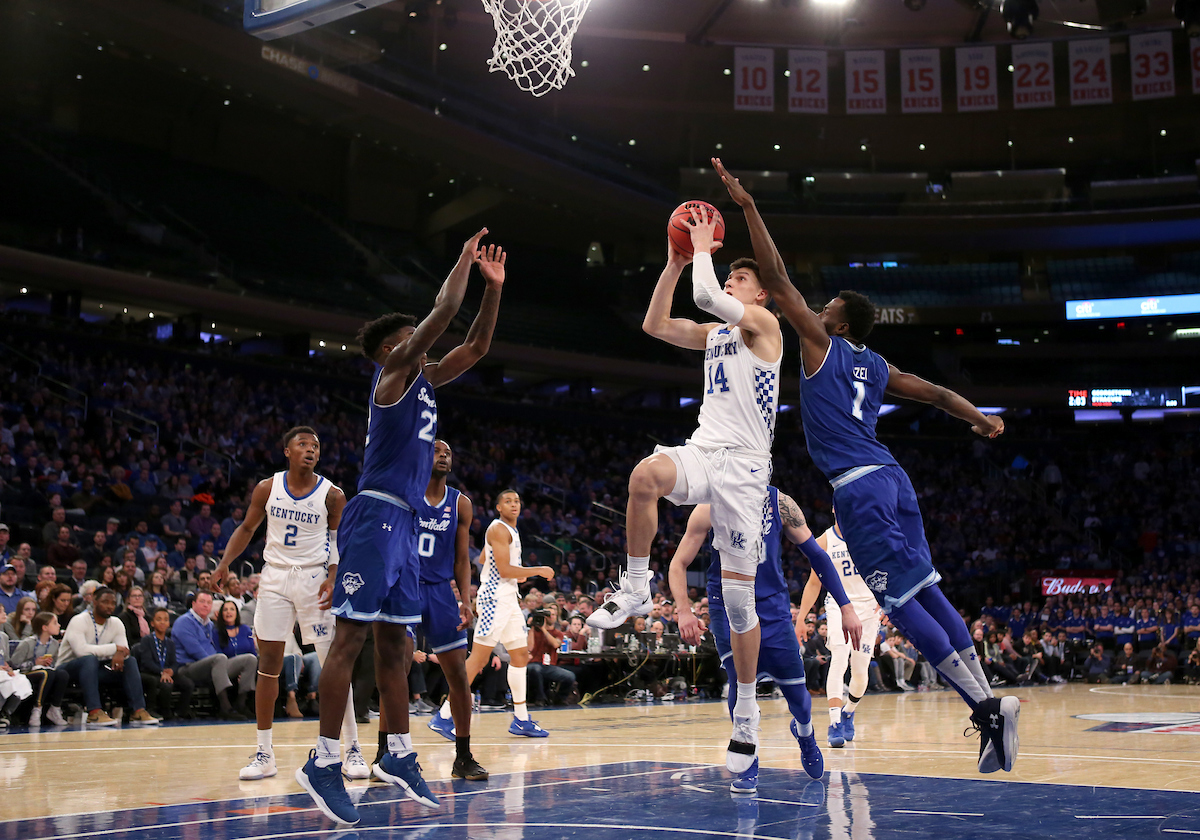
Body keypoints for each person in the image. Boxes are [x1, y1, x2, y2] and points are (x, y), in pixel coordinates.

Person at [713, 157, 1016, 774]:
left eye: (823, 307)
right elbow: (931, 392)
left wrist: (748, 207)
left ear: (839, 321)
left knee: (901, 608)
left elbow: (773, 275)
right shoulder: (877, 366)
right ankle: (989, 704)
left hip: (858, 488)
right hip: (895, 478)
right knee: (928, 591)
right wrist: (979, 419)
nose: (814, 310)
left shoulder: (821, 344)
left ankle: (986, 709)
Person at [297, 229, 505, 826]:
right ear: (393, 349)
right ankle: (325, 759)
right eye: (410, 339)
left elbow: (477, 346)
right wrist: (463, 261)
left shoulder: (424, 384)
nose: (422, 344)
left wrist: (492, 290)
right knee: (350, 642)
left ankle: (398, 752)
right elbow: (442, 316)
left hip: (407, 524)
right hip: (375, 514)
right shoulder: (390, 382)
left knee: (397, 645)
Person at [588, 207, 784, 777]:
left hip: (747, 471)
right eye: (728, 278)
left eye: (739, 281)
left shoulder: (764, 329)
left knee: (741, 606)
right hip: (705, 452)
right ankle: (635, 587)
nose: (729, 283)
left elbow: (706, 297)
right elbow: (654, 324)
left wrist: (702, 249)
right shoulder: (715, 334)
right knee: (643, 476)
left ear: (762, 296)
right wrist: (676, 263)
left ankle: (745, 715)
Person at [669, 487, 861, 792]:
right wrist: (684, 611)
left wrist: (846, 606)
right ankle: (748, 761)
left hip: (771, 605)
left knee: (798, 698)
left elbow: (819, 557)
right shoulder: (709, 506)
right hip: (726, 604)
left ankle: (806, 734)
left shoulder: (780, 503)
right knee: (739, 682)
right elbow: (678, 563)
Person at [213, 426, 364, 782]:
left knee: (334, 663)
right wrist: (224, 563)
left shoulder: (333, 494)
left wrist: (334, 575)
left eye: (315, 445)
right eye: (302, 444)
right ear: (287, 451)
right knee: (269, 662)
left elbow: (338, 542)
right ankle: (264, 753)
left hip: (315, 578)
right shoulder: (268, 487)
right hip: (275, 576)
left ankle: (353, 748)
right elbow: (248, 528)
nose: (310, 450)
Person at [417, 440, 489, 781]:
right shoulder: (407, 491)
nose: (444, 454)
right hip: (405, 587)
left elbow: (463, 558)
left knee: (459, 676)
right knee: (396, 669)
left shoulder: (460, 503)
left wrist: (465, 599)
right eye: (436, 450)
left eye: (448, 451)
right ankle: (386, 752)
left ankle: (463, 755)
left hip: (441, 592)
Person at [461, 490, 554, 739]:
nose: (514, 504)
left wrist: (516, 572)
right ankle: (446, 714)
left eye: (516, 501)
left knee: (520, 655)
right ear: (498, 507)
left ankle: (521, 719)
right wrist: (537, 570)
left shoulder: (508, 531)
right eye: (508, 501)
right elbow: (502, 569)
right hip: (494, 599)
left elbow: (484, 557)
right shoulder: (499, 529)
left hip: (509, 598)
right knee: (479, 659)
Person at [796, 509, 883, 748]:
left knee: (860, 670)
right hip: (838, 605)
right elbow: (814, 582)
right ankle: (834, 721)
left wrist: (885, 601)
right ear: (834, 508)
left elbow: (888, 572)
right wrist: (801, 618)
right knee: (839, 658)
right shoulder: (824, 540)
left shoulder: (870, 537)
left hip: (868, 610)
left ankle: (849, 711)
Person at [56, 587, 160, 726]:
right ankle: (94, 713)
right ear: (94, 601)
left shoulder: (116, 622)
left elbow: (125, 650)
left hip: (94, 669)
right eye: (105, 602)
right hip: (68, 669)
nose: (110, 606)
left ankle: (138, 711)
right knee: (89, 659)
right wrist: (115, 649)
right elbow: (81, 651)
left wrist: (120, 653)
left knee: (130, 662)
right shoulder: (79, 620)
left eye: (112, 603)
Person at [172, 590, 256, 720]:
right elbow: (195, 651)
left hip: (213, 664)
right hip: (188, 667)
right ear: (193, 604)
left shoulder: (210, 624)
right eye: (202, 602)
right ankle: (225, 707)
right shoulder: (183, 622)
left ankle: (241, 704)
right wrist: (220, 666)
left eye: (209, 603)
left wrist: (222, 667)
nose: (206, 605)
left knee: (250, 660)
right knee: (220, 658)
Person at [134, 607, 194, 720]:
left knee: (188, 684)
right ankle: (161, 711)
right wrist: (162, 672)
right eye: (159, 619)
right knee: (166, 684)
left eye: (166, 620)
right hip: (151, 672)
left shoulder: (170, 643)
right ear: (152, 623)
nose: (163, 622)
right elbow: (146, 662)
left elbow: (174, 662)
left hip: (166, 673)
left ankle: (180, 711)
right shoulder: (147, 640)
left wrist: (172, 670)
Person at [11, 612, 69, 726]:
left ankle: (55, 708)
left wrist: (49, 664)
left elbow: (55, 663)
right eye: (55, 623)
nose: (58, 626)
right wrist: (33, 662)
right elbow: (14, 664)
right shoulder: (27, 643)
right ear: (45, 627)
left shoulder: (54, 644)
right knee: (46, 674)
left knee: (62, 674)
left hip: (45, 672)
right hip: (26, 673)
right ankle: (37, 709)